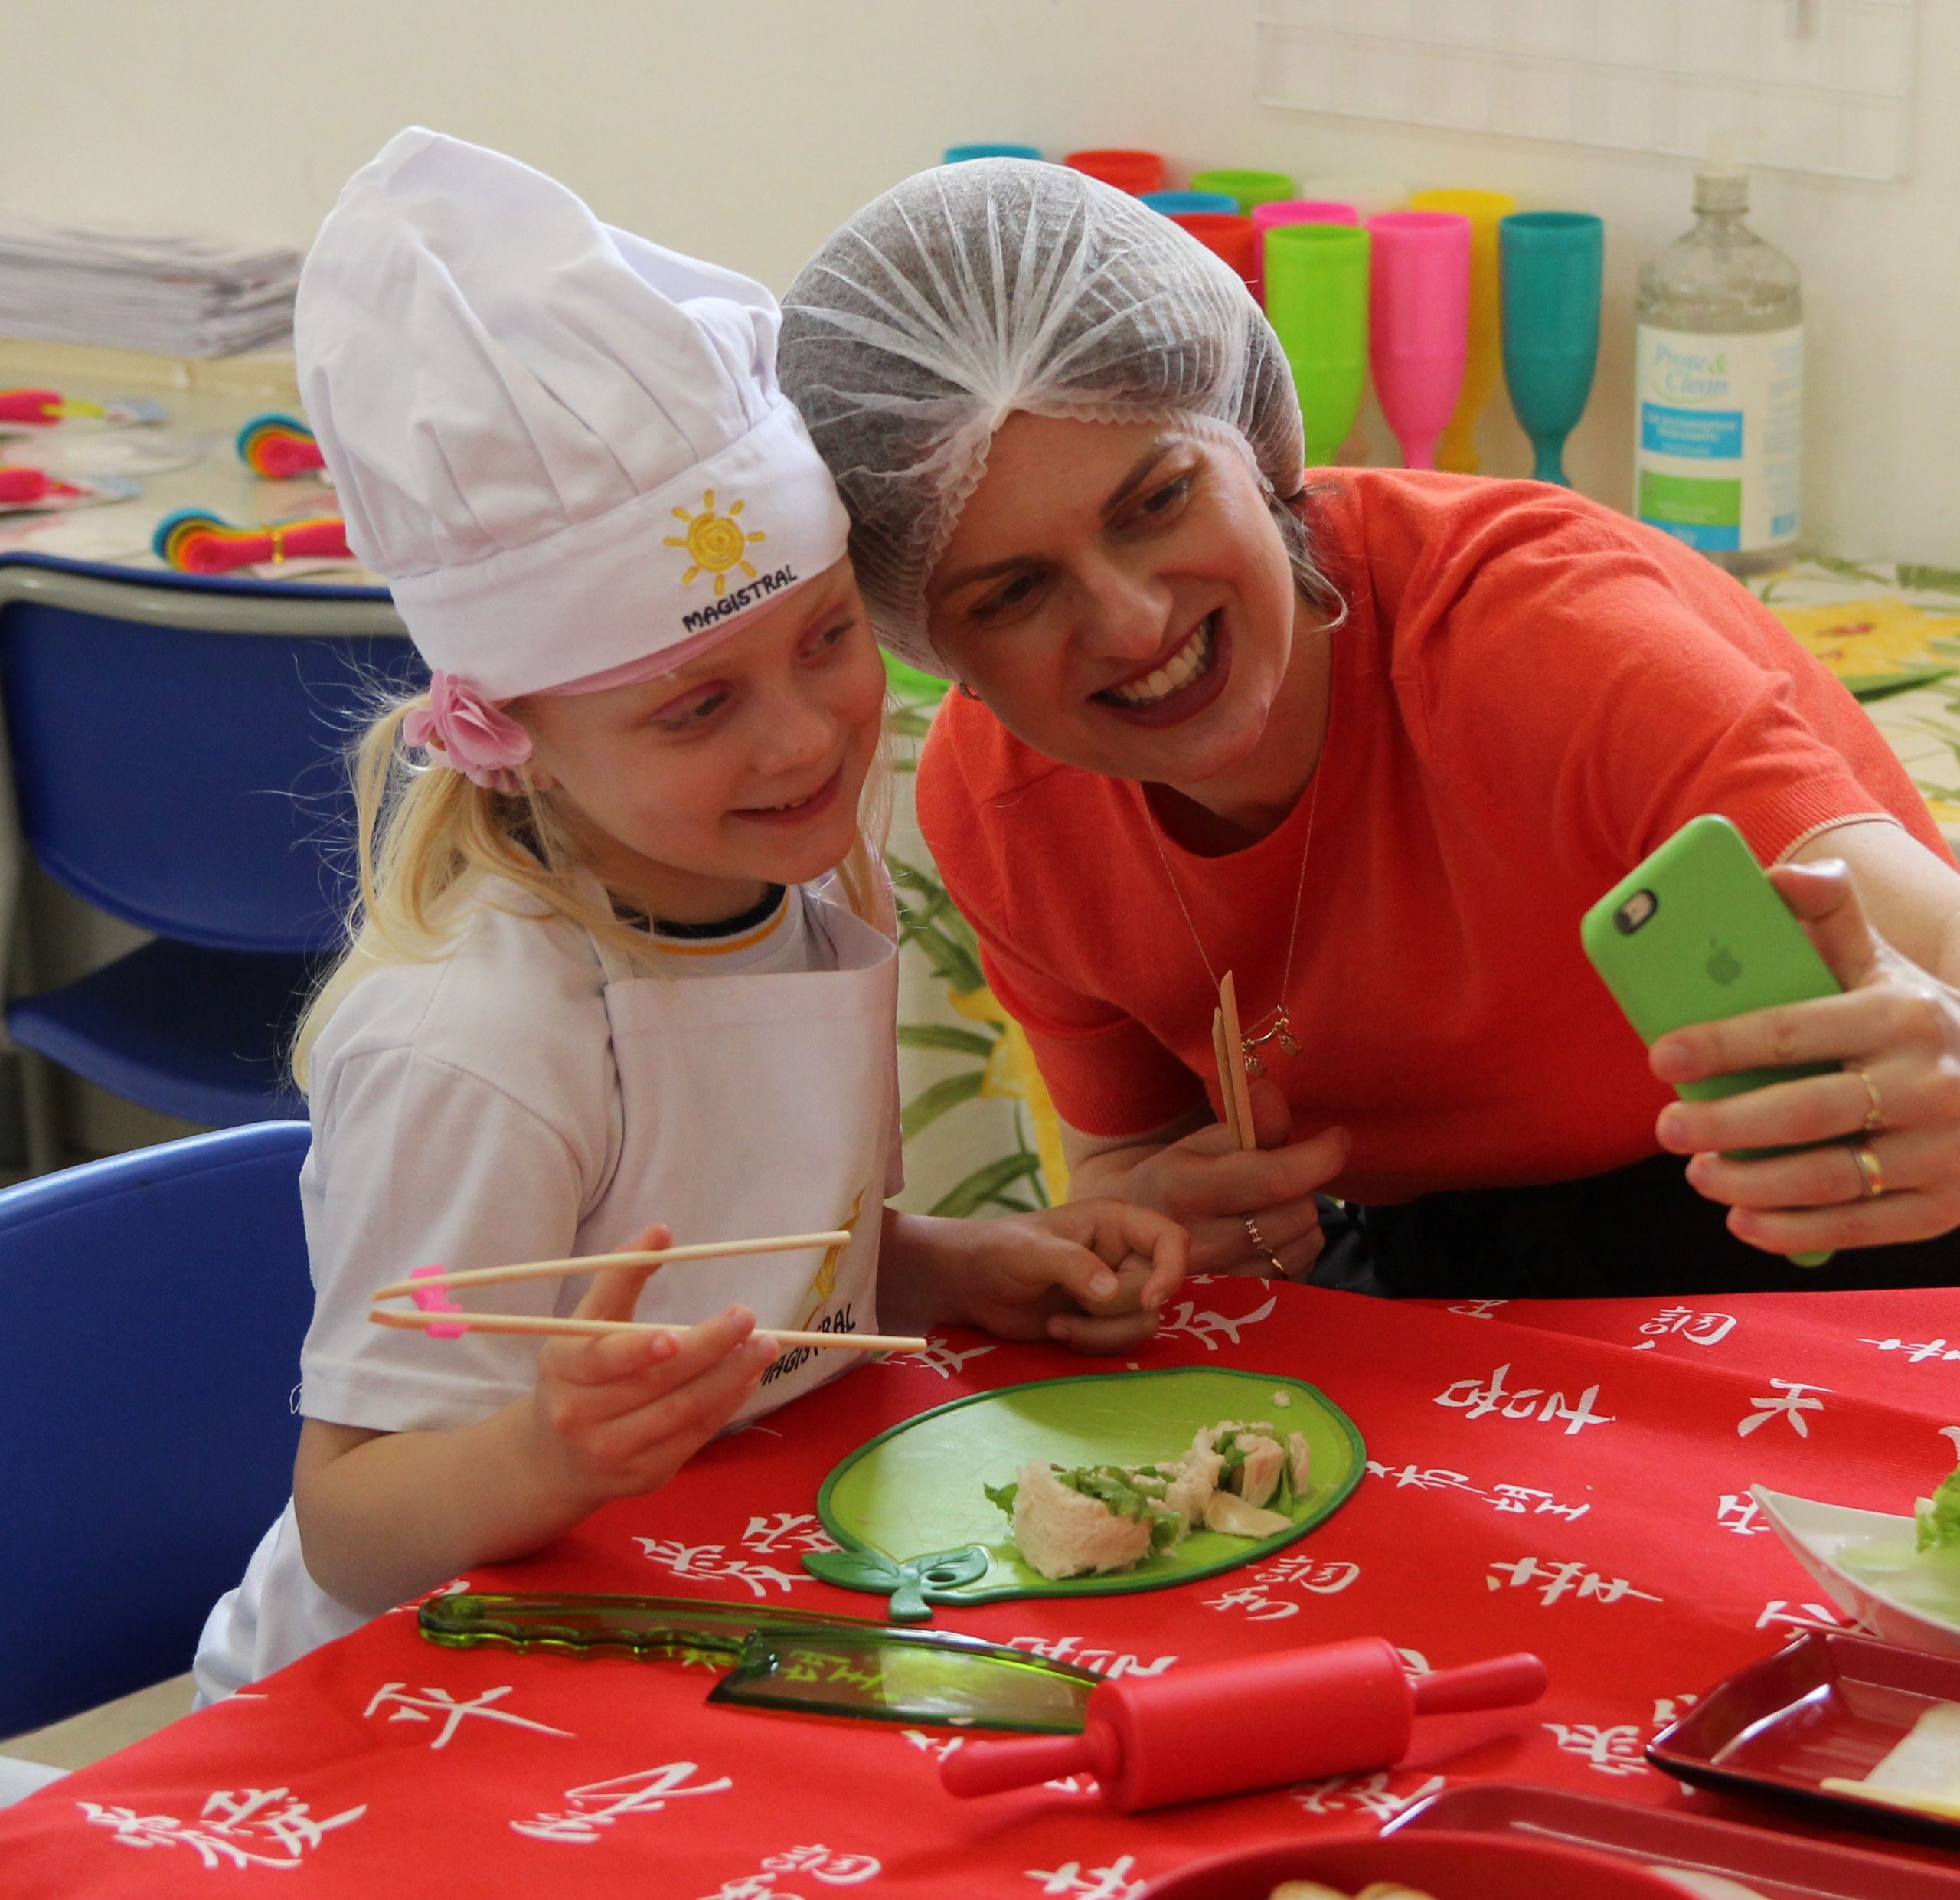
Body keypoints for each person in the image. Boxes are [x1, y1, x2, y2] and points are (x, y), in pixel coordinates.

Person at [192, 133, 1185, 1704]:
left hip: (688, 1600)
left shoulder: (787, 889)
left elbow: (764, 1271)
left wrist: (959, 1266)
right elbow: (353, 1521)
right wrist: (544, 1449)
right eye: (696, 706)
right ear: (517, 736)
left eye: (824, 639)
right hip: (417, 1683)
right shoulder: (481, 1045)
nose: (802, 739)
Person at [777, 157, 1960, 1300]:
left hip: (1829, 1226)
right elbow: (1129, 1164)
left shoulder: (1535, 628)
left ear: (1255, 442)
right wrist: (1169, 1221)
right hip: (1434, 1257)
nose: (1130, 622)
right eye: (1014, 593)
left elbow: (1936, 951)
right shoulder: (1001, 809)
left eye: (1159, 500)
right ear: (934, 648)